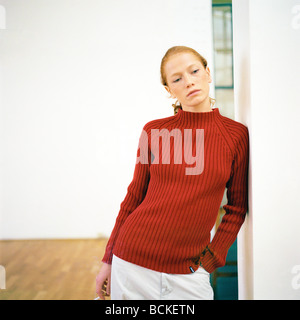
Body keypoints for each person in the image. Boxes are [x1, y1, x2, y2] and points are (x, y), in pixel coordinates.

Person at [95, 46, 249, 300]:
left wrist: (209, 263)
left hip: (189, 275)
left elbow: (237, 209)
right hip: (132, 263)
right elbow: (134, 197)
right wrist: (108, 261)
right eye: (177, 79)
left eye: (194, 71)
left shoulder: (235, 136)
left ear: (208, 73)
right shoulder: (153, 132)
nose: (188, 81)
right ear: (169, 90)